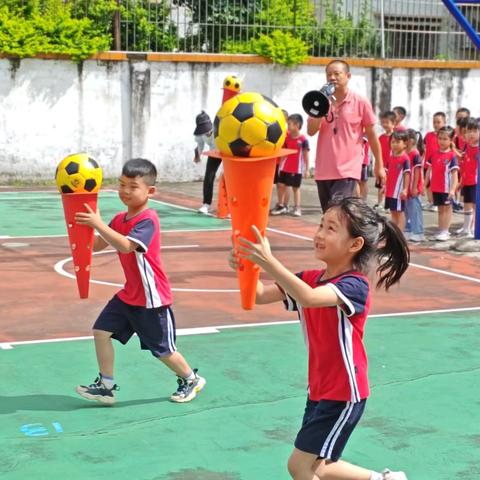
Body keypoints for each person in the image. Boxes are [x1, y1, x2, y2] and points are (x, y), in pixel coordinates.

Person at [230, 197, 410, 480]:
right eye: (320, 225)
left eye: (331, 228)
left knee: (299, 466)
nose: (319, 234)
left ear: (355, 245)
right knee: (319, 466)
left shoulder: (354, 286)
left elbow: (310, 298)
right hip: (320, 388)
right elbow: (259, 295)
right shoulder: (310, 277)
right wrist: (244, 267)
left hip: (343, 391)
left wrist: (269, 260)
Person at [74, 158, 206, 404]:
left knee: (163, 351)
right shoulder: (118, 220)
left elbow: (126, 246)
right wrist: (83, 227)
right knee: (100, 331)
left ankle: (191, 379)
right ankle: (106, 385)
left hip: (151, 298)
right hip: (129, 295)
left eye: (133, 186)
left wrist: (99, 224)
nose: (125, 191)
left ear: (150, 191)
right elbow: (98, 245)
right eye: (122, 184)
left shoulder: (148, 220)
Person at [307, 59, 385, 212]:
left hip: (347, 170)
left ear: (348, 76)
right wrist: (321, 105)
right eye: (329, 74)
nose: (332, 78)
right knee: (330, 214)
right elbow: (311, 131)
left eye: (337, 74)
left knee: (337, 212)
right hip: (323, 171)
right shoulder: (320, 100)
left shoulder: (360, 101)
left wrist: (379, 165)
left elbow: (372, 135)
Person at [271, 114, 310, 217]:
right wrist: (280, 166)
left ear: (297, 125)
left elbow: (306, 155)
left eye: (289, 124)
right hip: (285, 167)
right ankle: (281, 205)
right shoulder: (286, 137)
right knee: (280, 185)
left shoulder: (303, 139)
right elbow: (284, 151)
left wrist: (306, 169)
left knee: (295, 188)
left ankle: (297, 208)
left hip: (296, 169)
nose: (288, 126)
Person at [425, 126, 459, 241]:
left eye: (445, 139)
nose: (442, 141)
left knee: (447, 209)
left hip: (446, 189)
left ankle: (445, 230)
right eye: (440, 138)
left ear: (450, 140)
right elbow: (429, 171)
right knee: (440, 209)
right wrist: (426, 185)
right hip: (436, 188)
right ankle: (441, 230)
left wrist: (453, 189)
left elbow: (454, 175)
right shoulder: (434, 154)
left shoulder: (452, 156)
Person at [193, 111, 220, 215]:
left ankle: (230, 206)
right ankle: (206, 204)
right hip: (214, 152)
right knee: (208, 177)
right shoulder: (200, 134)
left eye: (207, 129)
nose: (206, 132)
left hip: (227, 151)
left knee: (229, 179)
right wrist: (197, 155)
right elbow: (200, 145)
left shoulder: (219, 127)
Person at [456, 117, 479, 238]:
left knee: (476, 206)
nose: (471, 134)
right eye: (469, 131)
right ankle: (466, 228)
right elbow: (463, 162)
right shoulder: (466, 146)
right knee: (467, 204)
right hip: (466, 180)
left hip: (476, 182)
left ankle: (475, 228)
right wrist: (461, 181)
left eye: (475, 131)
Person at [384, 130, 411, 231]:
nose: (394, 144)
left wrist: (405, 189)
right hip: (390, 191)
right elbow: (388, 173)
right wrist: (384, 187)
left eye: (397, 142)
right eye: (393, 142)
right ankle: (394, 232)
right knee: (393, 211)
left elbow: (407, 174)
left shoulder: (405, 159)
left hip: (398, 192)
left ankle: (400, 234)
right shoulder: (391, 157)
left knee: (400, 212)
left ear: (405, 144)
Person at [404, 129, 425, 242]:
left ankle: (418, 231)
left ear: (411, 141)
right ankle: (408, 229)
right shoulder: (405, 153)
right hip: (406, 187)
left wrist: (415, 187)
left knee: (415, 209)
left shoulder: (415, 154)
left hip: (413, 186)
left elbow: (417, 171)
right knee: (407, 209)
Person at [423, 112, 446, 212]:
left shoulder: (445, 137)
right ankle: (431, 202)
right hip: (427, 164)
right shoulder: (428, 135)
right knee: (428, 185)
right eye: (434, 122)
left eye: (438, 122)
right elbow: (424, 147)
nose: (436, 124)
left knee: (435, 185)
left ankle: (436, 204)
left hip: (438, 165)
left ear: (444, 122)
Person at [375, 111, 396, 211]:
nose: (385, 125)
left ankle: (388, 204)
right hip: (382, 165)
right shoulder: (381, 137)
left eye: (387, 122)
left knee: (389, 185)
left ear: (393, 123)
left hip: (392, 166)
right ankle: (380, 203)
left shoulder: (396, 138)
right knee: (380, 185)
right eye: (383, 122)